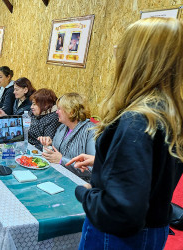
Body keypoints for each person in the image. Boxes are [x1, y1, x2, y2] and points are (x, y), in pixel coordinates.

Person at [70, 18, 183, 249]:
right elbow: (154, 169)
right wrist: (106, 161)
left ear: (134, 59)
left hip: (118, 239)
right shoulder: (170, 112)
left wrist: (86, 193)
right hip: (154, 231)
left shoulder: (137, 120)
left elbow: (121, 213)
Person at [39, 92, 95, 181]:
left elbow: (93, 169)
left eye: (59, 109)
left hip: (79, 183)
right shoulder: (62, 127)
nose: (56, 112)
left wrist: (62, 160)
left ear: (71, 112)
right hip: (59, 177)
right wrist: (49, 145)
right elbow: (56, 155)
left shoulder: (90, 131)